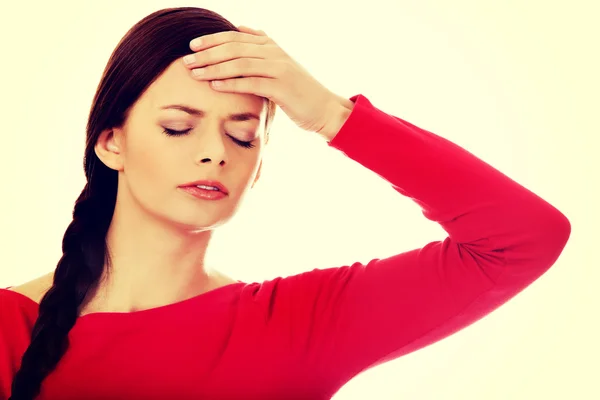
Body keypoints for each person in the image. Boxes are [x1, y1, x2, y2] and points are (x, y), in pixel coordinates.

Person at [0, 6, 571, 400]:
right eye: (179, 127)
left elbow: (522, 239)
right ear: (111, 142)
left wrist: (327, 112)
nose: (215, 153)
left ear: (258, 163)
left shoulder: (301, 323)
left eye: (243, 135)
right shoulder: (10, 328)